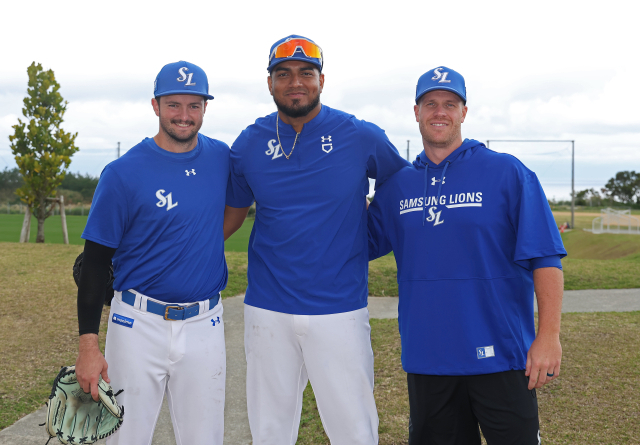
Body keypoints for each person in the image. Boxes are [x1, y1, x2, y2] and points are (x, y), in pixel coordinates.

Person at [223, 35, 410, 444]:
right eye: (284, 74)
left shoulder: (359, 134)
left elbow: (402, 188)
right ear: (269, 83)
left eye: (306, 73)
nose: (296, 82)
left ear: (321, 80)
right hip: (267, 308)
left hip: (339, 309)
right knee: (270, 430)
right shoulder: (249, 143)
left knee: (354, 430)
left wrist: (369, 238)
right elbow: (228, 218)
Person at [367, 66, 567, 445]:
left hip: (502, 355)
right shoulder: (398, 186)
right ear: (416, 112)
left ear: (463, 112)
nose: (439, 111)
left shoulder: (507, 172)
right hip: (428, 358)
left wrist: (549, 337)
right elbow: (356, 243)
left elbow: (545, 258)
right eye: (430, 103)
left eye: (449, 103)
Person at [75, 61, 229, 444]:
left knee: (204, 438)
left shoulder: (223, 159)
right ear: (155, 105)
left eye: (194, 105)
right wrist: (88, 347)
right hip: (136, 324)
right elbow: (93, 265)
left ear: (206, 108)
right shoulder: (123, 173)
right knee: (123, 437)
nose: (184, 115)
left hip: (204, 323)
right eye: (174, 104)